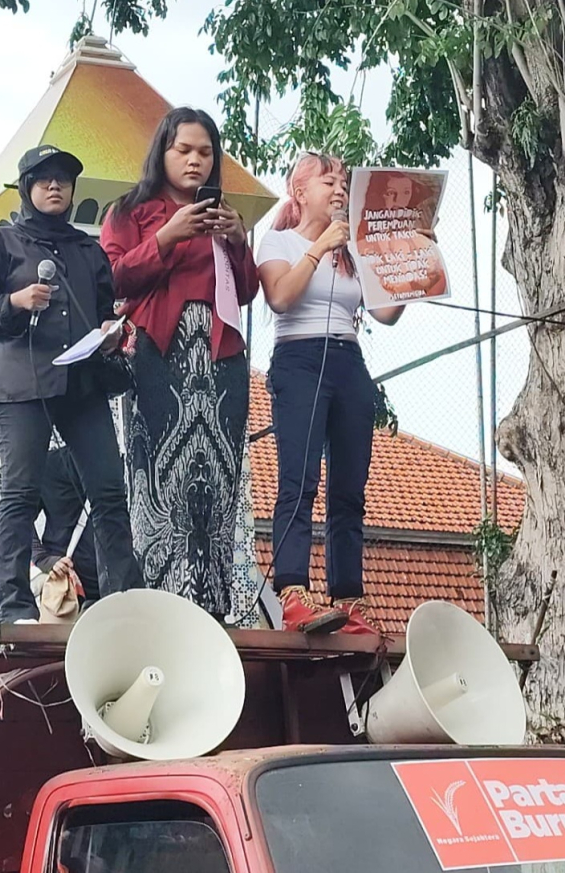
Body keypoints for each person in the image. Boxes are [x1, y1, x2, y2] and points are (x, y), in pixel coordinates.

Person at [0, 144, 143, 623]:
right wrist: (16, 301)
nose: (54, 186)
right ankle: (11, 603)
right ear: (26, 188)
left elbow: (107, 315)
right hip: (21, 387)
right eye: (43, 179)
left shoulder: (89, 251)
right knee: (19, 492)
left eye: (63, 179)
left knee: (108, 490)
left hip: (82, 383)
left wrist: (111, 337)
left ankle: (123, 601)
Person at [100, 107, 258, 619]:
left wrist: (236, 240)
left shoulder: (224, 215)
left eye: (205, 152)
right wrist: (167, 236)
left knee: (220, 484)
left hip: (221, 357)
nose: (195, 161)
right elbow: (113, 281)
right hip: (159, 353)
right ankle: (162, 610)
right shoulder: (131, 211)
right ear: (161, 153)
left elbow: (249, 290)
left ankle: (212, 610)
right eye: (183, 150)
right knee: (158, 485)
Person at [255, 153, 404, 634]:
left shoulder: (352, 250)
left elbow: (387, 316)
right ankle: (293, 591)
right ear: (300, 192)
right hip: (298, 359)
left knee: (349, 489)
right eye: (329, 182)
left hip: (348, 360)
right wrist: (320, 246)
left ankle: (349, 597)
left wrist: (407, 262)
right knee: (299, 481)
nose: (340, 191)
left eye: (344, 184)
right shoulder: (279, 240)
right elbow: (280, 297)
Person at [32, 439, 100, 605]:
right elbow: (19, 520)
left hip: (111, 582)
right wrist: (43, 559)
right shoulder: (46, 467)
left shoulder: (116, 462)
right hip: (66, 582)